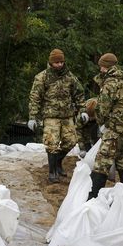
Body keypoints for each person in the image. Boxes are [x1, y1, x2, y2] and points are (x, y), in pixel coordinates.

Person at [27, 49, 87, 183]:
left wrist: (82, 110)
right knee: (52, 143)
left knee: (71, 141)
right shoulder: (42, 77)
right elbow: (35, 98)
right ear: (51, 62)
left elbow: (79, 93)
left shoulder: (70, 77)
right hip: (50, 116)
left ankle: (58, 162)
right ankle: (52, 172)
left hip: (67, 115)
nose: (59, 64)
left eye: (61, 62)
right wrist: (32, 117)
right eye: (56, 62)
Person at [88, 53, 123, 199]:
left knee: (102, 162)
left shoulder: (110, 84)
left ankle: (93, 198)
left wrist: (102, 124)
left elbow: (103, 108)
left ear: (103, 66)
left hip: (115, 130)